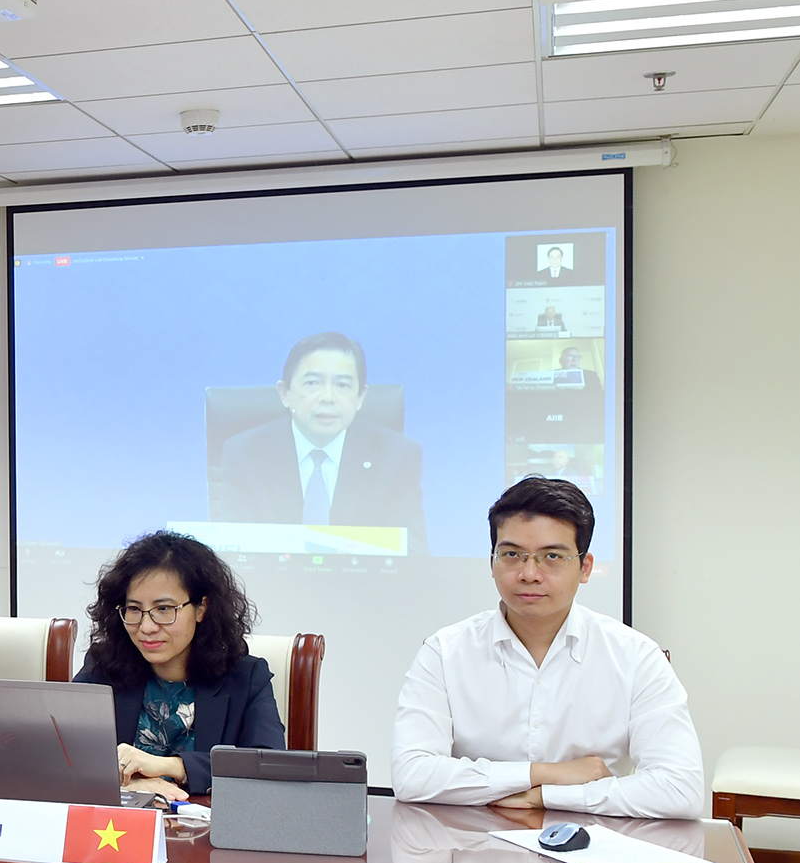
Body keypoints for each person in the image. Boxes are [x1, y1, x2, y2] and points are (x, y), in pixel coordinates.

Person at [391, 478, 702, 817]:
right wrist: (545, 774)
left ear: (585, 567)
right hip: (471, 839)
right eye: (512, 554)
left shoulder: (636, 656)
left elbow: (680, 789)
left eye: (551, 556)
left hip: (596, 842)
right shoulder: (445, 652)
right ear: (492, 562)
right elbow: (411, 775)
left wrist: (544, 797)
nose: (529, 573)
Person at [72, 531, 284, 800]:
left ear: (201, 608)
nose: (146, 627)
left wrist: (173, 766)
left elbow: (269, 766)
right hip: (122, 823)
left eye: (163, 609)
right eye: (134, 609)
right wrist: (125, 784)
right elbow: (63, 750)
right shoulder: (104, 666)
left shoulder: (246, 678)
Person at [209, 332, 428, 549]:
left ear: (360, 397)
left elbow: (413, 550)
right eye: (312, 383)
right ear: (284, 393)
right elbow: (233, 548)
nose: (328, 397)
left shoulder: (397, 457)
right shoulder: (245, 454)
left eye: (342, 385)